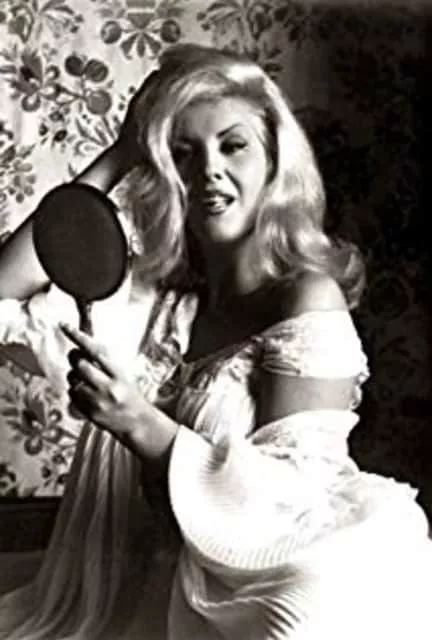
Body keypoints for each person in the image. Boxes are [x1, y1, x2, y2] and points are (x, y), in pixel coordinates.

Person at [0, 43, 431, 640]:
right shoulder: (151, 300)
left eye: (233, 146)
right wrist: (124, 150)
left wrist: (139, 423)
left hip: (257, 578)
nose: (208, 171)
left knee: (302, 616)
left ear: (275, 163)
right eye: (182, 153)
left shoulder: (306, 297)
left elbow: (290, 501)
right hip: (139, 585)